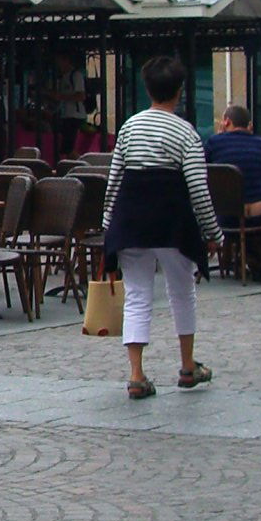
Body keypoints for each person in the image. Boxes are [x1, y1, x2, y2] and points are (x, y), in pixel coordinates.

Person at [101, 55, 224, 401]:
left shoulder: (129, 127)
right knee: (182, 291)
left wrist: (108, 224)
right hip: (172, 220)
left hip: (131, 219)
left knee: (137, 294)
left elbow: (115, 180)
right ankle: (187, 366)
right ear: (180, 91)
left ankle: (136, 373)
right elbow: (198, 188)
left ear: (147, 89)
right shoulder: (186, 132)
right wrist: (213, 232)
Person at [205, 102, 261, 276]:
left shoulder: (214, 142)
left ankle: (232, 258)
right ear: (248, 125)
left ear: (226, 121)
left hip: (226, 217)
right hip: (260, 215)